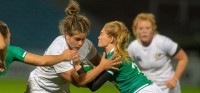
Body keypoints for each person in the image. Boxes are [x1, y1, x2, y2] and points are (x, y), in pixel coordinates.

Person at [25, 0, 121, 93]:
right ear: (67, 35)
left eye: (83, 38)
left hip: (61, 87)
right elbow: (79, 82)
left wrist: (115, 77)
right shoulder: (59, 50)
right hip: (41, 86)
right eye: (77, 39)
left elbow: (100, 63)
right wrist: (101, 68)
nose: (80, 43)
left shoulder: (87, 45)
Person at [80, 21, 162, 93]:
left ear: (111, 39)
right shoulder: (118, 53)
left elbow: (94, 87)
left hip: (142, 90)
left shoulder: (114, 57)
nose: (99, 37)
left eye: (101, 34)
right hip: (149, 88)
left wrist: (79, 68)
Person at [128, 13, 188, 93]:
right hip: (148, 87)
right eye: (141, 28)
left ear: (153, 29)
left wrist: (175, 79)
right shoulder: (133, 47)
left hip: (168, 87)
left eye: (147, 28)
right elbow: (126, 66)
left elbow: (183, 58)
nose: (144, 31)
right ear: (135, 30)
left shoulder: (163, 42)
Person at [0, 20, 79, 76]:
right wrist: (63, 56)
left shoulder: (12, 51)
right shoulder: (11, 51)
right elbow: (42, 61)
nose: (10, 39)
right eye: (9, 36)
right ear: (4, 37)